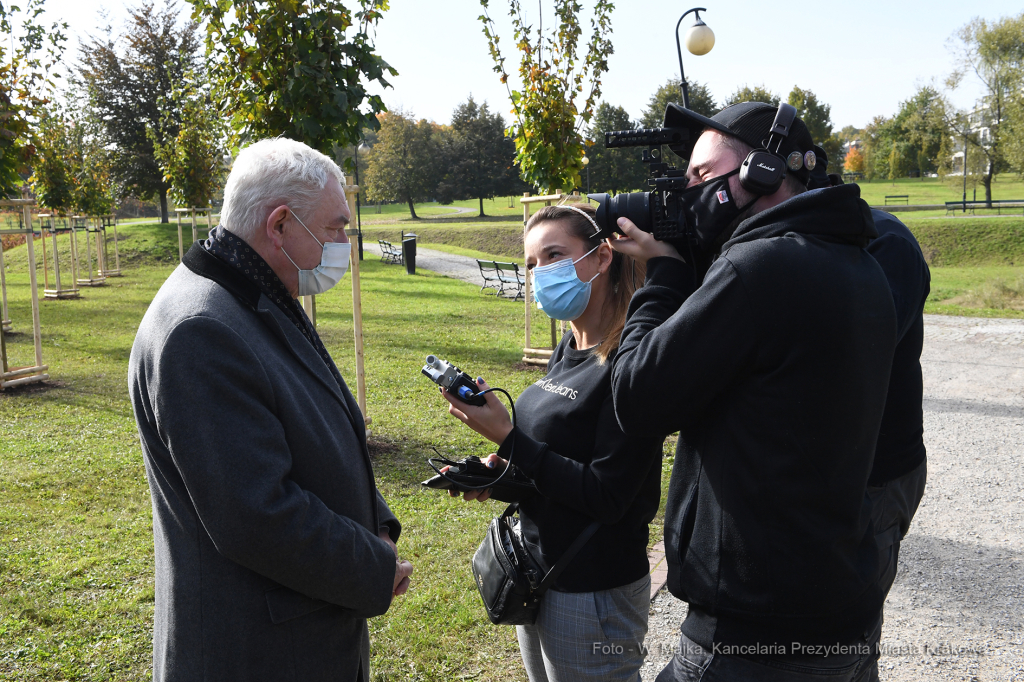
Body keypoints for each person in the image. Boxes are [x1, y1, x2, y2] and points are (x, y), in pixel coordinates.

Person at [607, 102, 897, 680]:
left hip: (756, 624)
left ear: (761, 172)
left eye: (700, 175)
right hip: (837, 602)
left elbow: (635, 397)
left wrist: (664, 272)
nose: (686, 192)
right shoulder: (860, 263)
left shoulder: (757, 269)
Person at [128, 138, 412, 682]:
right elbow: (255, 513)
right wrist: (371, 564)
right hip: (258, 653)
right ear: (279, 225)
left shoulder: (252, 290)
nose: (344, 243)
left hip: (297, 633)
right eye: (335, 228)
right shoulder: (203, 329)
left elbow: (320, 425)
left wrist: (375, 524)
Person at [438, 203, 663, 682]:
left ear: (602, 258)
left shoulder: (633, 362)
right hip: (541, 573)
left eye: (554, 255)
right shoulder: (569, 346)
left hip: (594, 587)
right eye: (532, 264)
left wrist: (509, 438)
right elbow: (554, 463)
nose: (540, 273)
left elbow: (608, 496)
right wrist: (497, 476)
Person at [807, 149, 930, 601]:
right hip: (821, 474)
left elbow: (855, 359)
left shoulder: (885, 241)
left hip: (872, 476)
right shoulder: (805, 246)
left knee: (847, 633)